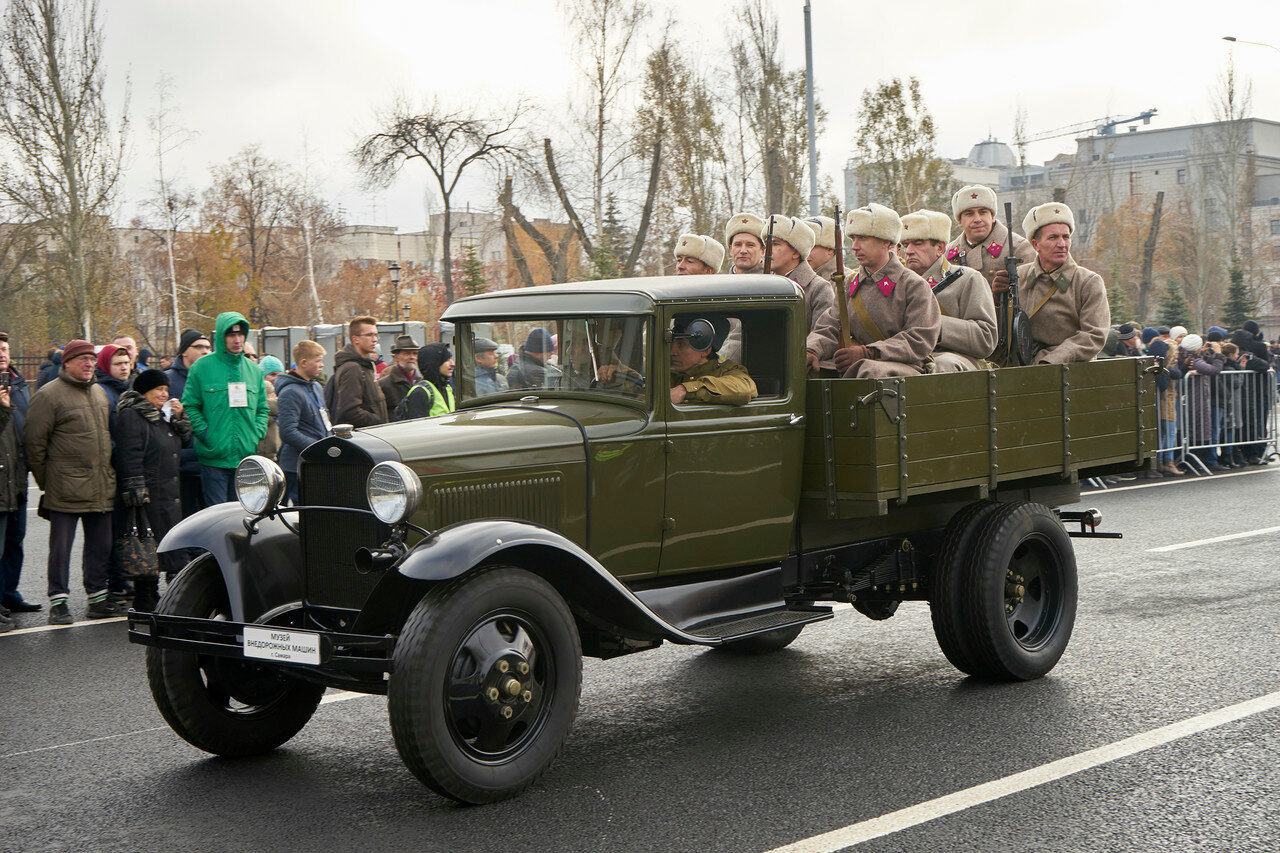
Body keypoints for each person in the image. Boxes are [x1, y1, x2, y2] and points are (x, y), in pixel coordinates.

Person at [24, 340, 118, 623]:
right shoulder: (49, 395)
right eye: (83, 359)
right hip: (64, 487)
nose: (89, 364)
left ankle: (97, 598)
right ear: (66, 363)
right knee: (61, 548)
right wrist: (48, 481)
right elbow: (34, 444)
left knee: (100, 545)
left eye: (92, 359)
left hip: (100, 485)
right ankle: (59, 602)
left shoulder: (100, 392)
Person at [807, 203, 941, 378]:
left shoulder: (913, 285)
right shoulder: (849, 284)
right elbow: (829, 326)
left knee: (868, 370)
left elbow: (919, 339)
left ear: (885, 241)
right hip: (860, 363)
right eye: (853, 238)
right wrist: (812, 349)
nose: (854, 246)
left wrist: (870, 352)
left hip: (905, 366)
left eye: (862, 238)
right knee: (810, 370)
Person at [114, 369, 192, 609]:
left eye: (166, 390)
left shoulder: (161, 416)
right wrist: (135, 487)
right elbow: (129, 453)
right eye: (159, 389)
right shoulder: (132, 415)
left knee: (164, 543)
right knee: (146, 543)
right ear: (144, 391)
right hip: (148, 492)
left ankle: (159, 595)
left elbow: (183, 441)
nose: (164, 394)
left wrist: (179, 418)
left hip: (167, 492)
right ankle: (144, 595)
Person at [182, 311, 269, 506]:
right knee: (218, 517)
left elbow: (262, 409)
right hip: (214, 460)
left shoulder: (254, 370)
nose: (237, 340)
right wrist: (206, 433)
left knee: (243, 514)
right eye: (231, 335)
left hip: (245, 457)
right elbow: (190, 405)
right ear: (221, 337)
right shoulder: (201, 367)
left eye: (240, 335)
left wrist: (256, 432)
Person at [898, 209, 996, 372]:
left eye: (918, 243)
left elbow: (986, 339)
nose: (908, 251)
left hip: (956, 359)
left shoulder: (967, 279)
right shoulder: (898, 285)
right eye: (906, 245)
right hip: (907, 356)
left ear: (940, 248)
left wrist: (933, 325)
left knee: (943, 365)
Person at [1016, 202, 1111, 364]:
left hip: (1071, 370)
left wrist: (1051, 360)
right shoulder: (1019, 277)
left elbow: (1094, 335)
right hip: (1023, 366)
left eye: (1065, 237)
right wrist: (997, 298)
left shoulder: (1087, 282)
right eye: (1053, 237)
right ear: (1035, 245)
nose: (1061, 244)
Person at [0, 332, 37, 617]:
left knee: (15, 541)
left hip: (18, 476)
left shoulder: (20, 385)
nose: (3, 353)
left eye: (5, 348)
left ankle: (9, 595)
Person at [945, 185, 1036, 293]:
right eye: (969, 214)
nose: (977, 219)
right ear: (959, 221)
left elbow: (1030, 296)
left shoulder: (1019, 248)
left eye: (983, 212)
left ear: (992, 217)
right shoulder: (948, 254)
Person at [764, 215, 835, 346]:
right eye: (766, 244)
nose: (767, 250)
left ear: (796, 252)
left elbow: (822, 336)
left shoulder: (818, 288)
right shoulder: (761, 286)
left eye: (775, 244)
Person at [165, 328, 212, 518]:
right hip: (180, 466)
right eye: (198, 347)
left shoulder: (212, 377)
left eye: (208, 347)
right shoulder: (168, 380)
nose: (205, 351)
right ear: (184, 351)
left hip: (209, 461)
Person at [276, 340, 330, 504]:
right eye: (318, 361)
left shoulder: (316, 387)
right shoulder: (290, 392)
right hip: (296, 467)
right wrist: (317, 448)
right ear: (304, 363)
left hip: (315, 462)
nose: (322, 365)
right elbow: (288, 432)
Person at [669, 315, 756, 406]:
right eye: (672, 344)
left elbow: (745, 389)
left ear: (705, 350)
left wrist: (685, 390)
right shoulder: (671, 377)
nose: (672, 352)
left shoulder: (727, 372)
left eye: (681, 345)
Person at [331, 316, 388, 427]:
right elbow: (350, 410)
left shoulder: (365, 365)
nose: (375, 339)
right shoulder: (352, 368)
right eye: (369, 335)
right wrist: (378, 421)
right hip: (365, 436)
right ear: (355, 339)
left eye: (376, 335)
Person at [397, 343, 458, 420]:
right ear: (434, 362)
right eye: (446, 360)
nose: (452, 364)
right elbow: (417, 427)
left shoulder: (447, 388)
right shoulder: (420, 392)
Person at [96, 344, 133, 434]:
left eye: (126, 363)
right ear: (106, 366)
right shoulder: (100, 391)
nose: (124, 368)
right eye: (118, 364)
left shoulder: (133, 386)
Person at [378, 334, 420, 414]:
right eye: (407, 353)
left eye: (415, 353)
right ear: (396, 357)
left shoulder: (422, 383)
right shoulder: (384, 385)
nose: (412, 357)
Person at [255, 355, 284, 461]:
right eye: (272, 374)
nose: (276, 378)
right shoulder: (259, 390)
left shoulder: (282, 392)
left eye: (280, 375)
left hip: (275, 453)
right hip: (260, 452)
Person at [804, 215, 839, 282]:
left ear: (830, 250)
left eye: (811, 247)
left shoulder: (848, 280)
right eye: (803, 247)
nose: (804, 253)